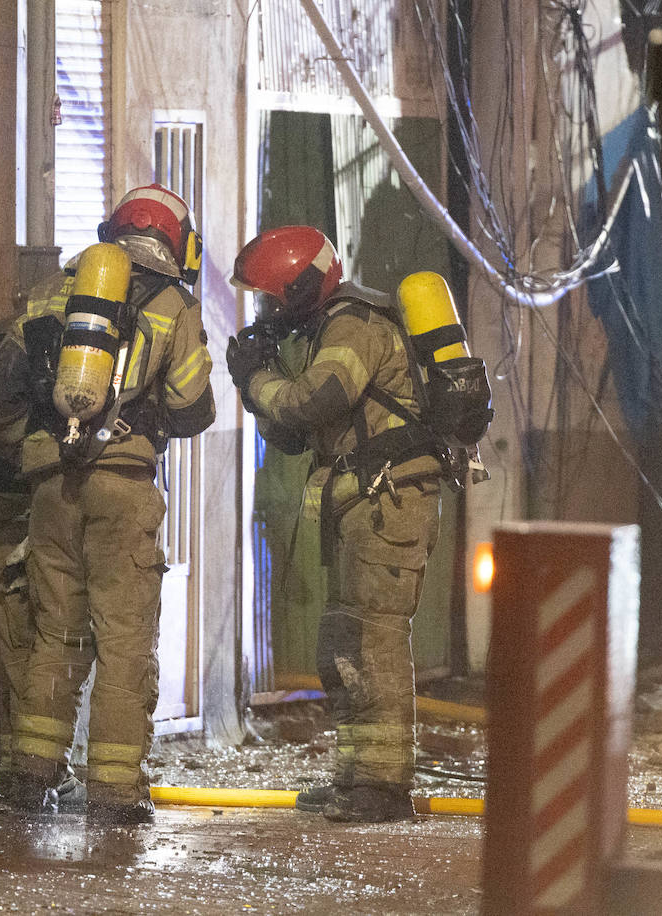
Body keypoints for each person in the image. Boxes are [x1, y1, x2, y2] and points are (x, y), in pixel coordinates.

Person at [0, 184, 216, 824]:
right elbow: (189, 405)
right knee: (124, 642)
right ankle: (116, 791)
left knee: (54, 634)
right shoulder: (173, 302)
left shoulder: (53, 290)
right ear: (175, 243)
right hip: (122, 484)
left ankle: (30, 776)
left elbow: (6, 384)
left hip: (48, 487)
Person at [226, 226, 446, 823]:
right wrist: (261, 381)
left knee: (373, 642)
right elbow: (298, 433)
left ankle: (383, 786)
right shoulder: (328, 327)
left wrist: (256, 379)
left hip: (389, 503)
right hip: (364, 504)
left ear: (300, 291)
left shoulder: (353, 324)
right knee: (345, 642)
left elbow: (313, 402)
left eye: (271, 298)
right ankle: (357, 776)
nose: (266, 310)